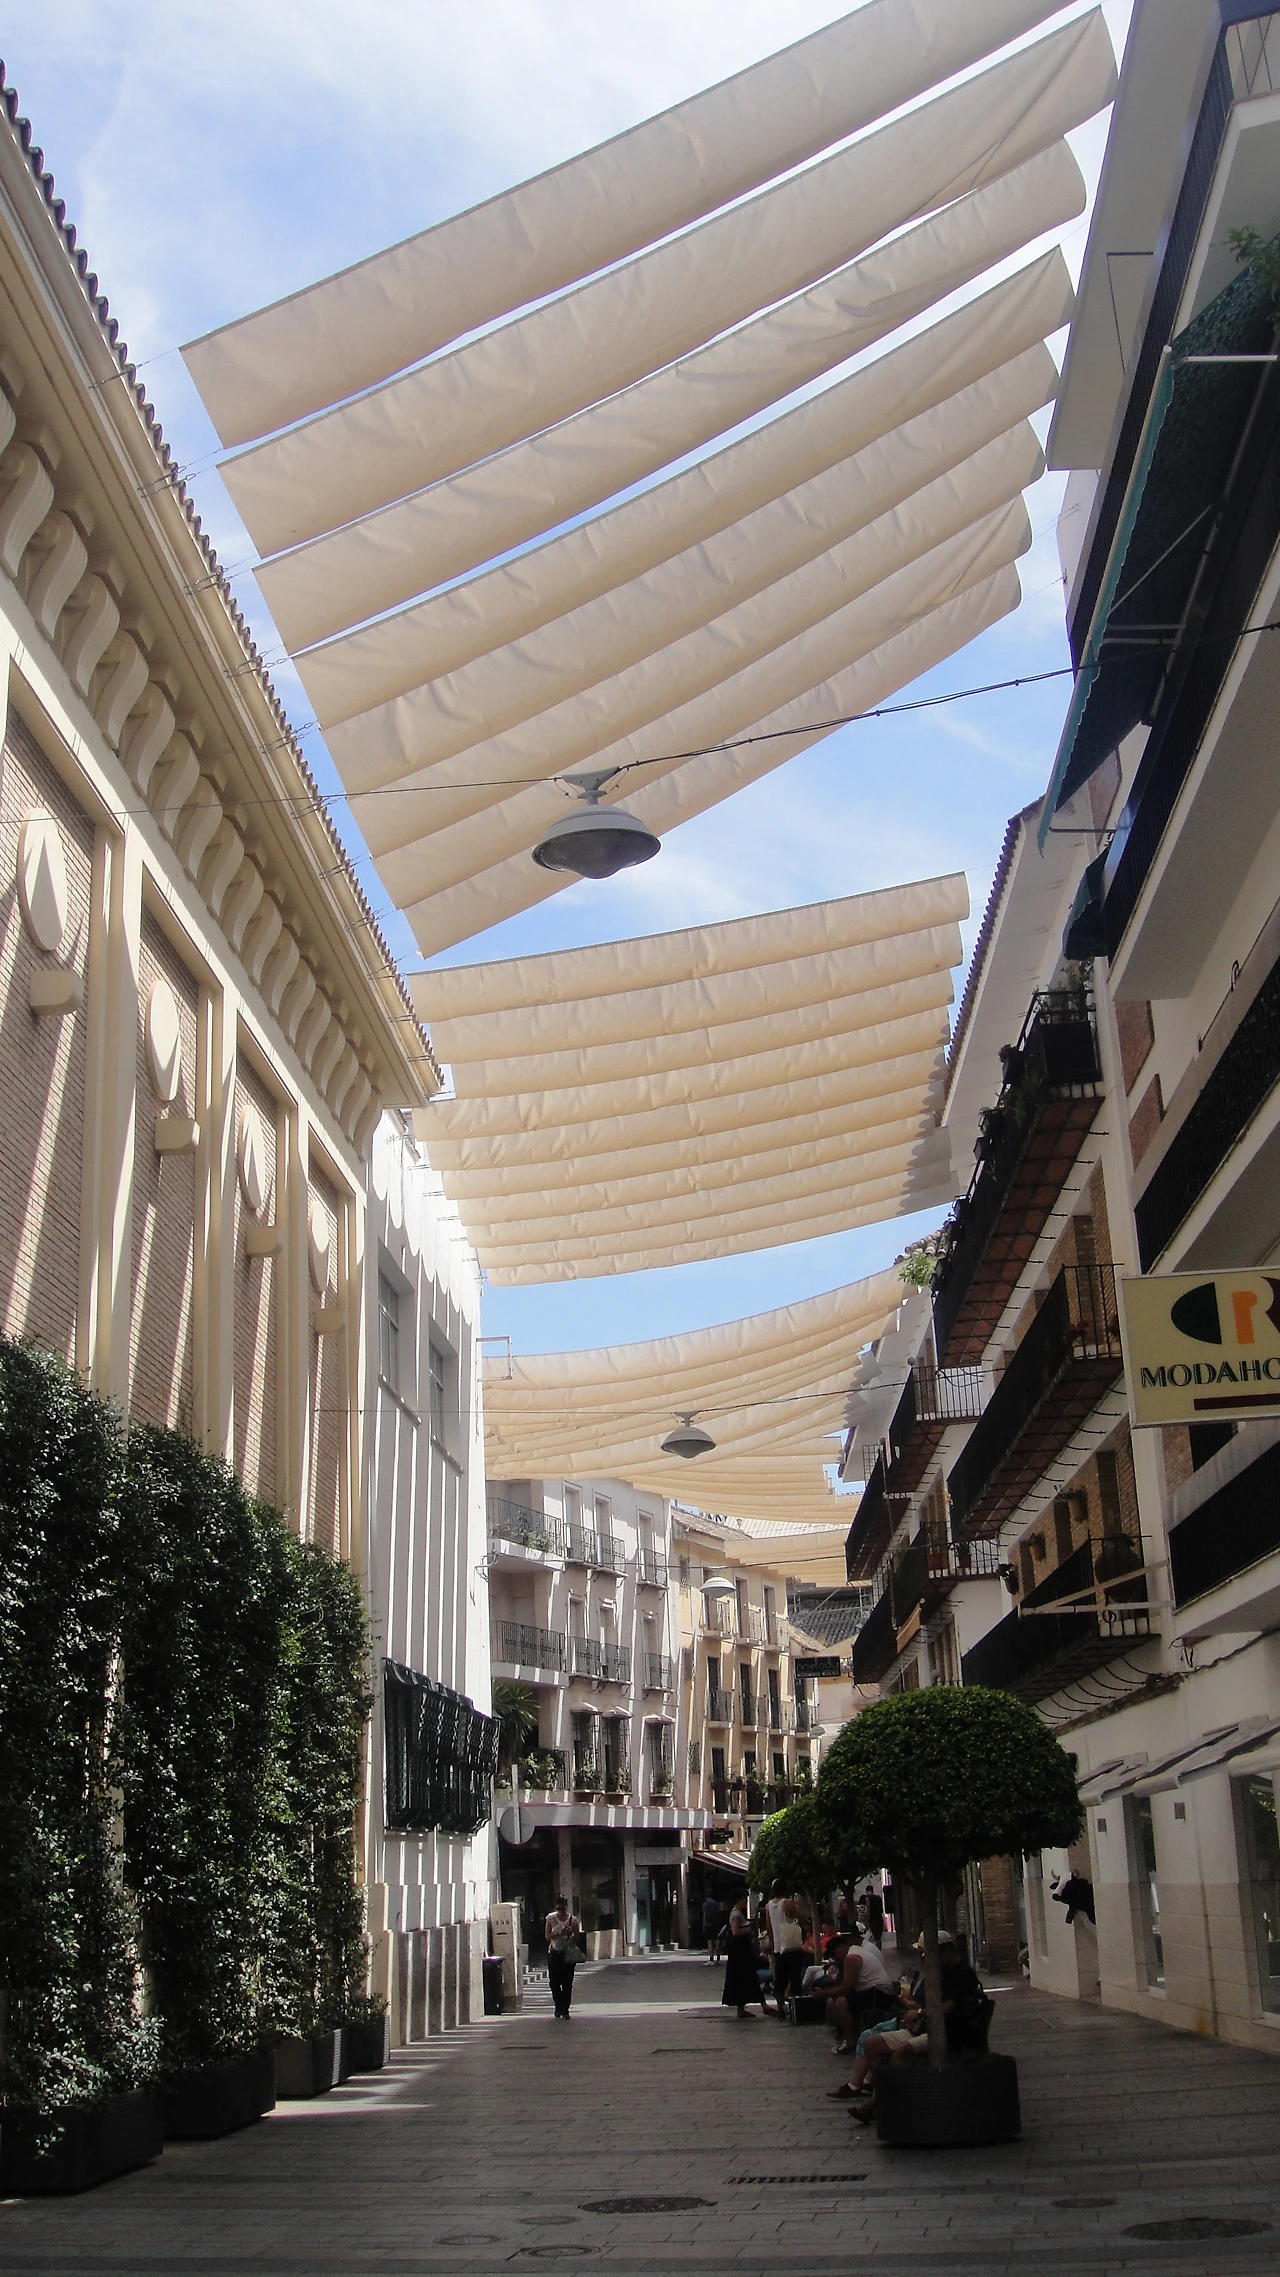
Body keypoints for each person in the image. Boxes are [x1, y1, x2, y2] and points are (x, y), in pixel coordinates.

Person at [829, 1928, 896, 2051]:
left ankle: (850, 2041)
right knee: (844, 2000)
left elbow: (846, 1987)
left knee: (841, 2003)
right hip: (877, 1991)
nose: (835, 1958)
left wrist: (825, 1993)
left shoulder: (851, 1957)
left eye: (834, 1954)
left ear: (841, 1947)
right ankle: (849, 2034)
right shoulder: (857, 1951)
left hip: (879, 1993)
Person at [721, 1897, 767, 2019]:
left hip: (742, 1951)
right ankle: (762, 2005)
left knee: (745, 1978)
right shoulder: (736, 1914)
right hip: (740, 1952)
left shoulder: (738, 1913)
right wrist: (750, 1929)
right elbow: (736, 1931)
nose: (746, 1902)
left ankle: (743, 2008)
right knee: (747, 1976)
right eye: (744, 1900)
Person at [545, 1894, 584, 2022]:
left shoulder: (573, 1920)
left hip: (567, 1955)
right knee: (554, 1983)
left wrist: (571, 1932)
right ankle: (558, 2006)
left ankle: (565, 2009)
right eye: (559, 1909)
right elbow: (547, 1936)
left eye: (563, 1909)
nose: (561, 1911)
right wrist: (556, 1933)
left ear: (567, 1907)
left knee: (567, 1983)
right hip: (554, 1953)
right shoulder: (551, 1918)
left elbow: (577, 1937)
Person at [768, 1896, 807, 2015]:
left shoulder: (769, 1905)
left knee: (780, 1978)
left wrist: (772, 1945)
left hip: (778, 1945)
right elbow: (801, 1919)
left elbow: (769, 1927)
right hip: (791, 1946)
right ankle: (796, 2007)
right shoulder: (788, 1903)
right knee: (795, 1976)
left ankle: (780, 2007)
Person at [702, 1891, 724, 1962]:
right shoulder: (715, 1903)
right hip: (715, 1924)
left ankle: (711, 1958)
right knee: (716, 1940)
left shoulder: (705, 1904)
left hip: (708, 1925)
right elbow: (719, 1913)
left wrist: (703, 1925)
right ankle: (718, 1957)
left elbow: (705, 1915)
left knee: (710, 1941)